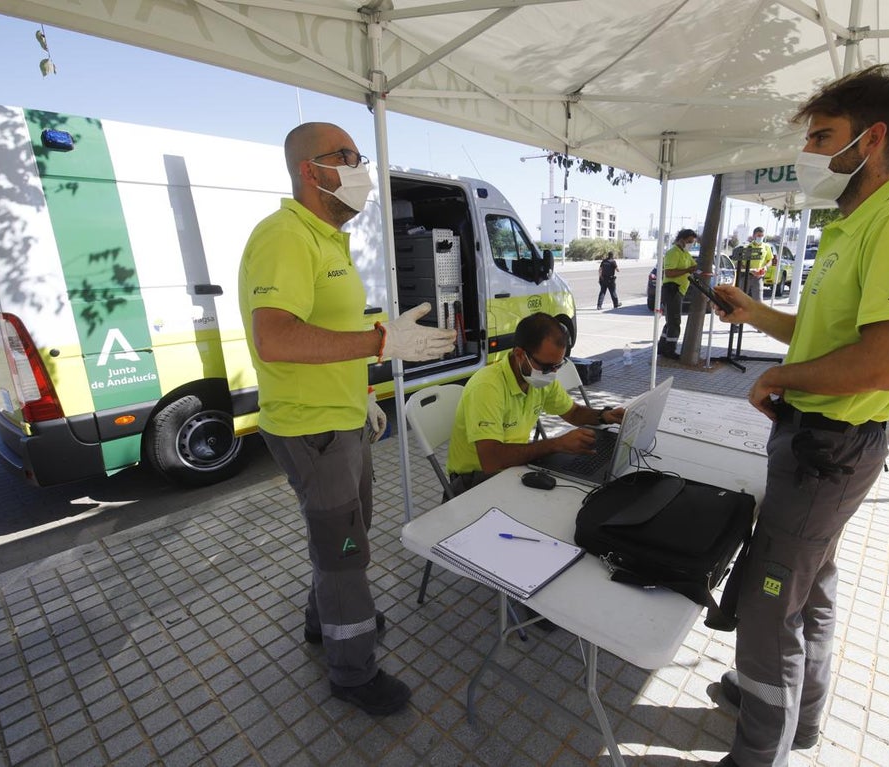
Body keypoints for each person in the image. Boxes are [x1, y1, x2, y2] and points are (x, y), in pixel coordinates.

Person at [706, 64, 889, 767]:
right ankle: (797, 715)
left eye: (823, 136)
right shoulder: (853, 222)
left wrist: (779, 377)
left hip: (829, 449)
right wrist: (757, 316)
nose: (809, 153)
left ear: (872, 139)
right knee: (808, 586)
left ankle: (759, 749)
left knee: (767, 601)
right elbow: (829, 337)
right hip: (816, 444)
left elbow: (884, 360)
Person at [238, 122, 456, 716]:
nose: (361, 169)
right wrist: (380, 342)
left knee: (342, 540)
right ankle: (352, 671)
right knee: (344, 552)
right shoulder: (285, 236)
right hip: (312, 428)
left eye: (360, 157)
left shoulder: (328, 240)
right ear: (310, 171)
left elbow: (328, 332)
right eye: (347, 157)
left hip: (340, 419)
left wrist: (362, 392)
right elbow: (276, 337)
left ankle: (326, 620)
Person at [446, 312, 624, 496]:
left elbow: (573, 412)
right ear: (520, 354)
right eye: (547, 366)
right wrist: (557, 444)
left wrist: (603, 415)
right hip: (475, 481)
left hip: (512, 468)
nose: (552, 373)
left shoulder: (539, 377)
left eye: (558, 365)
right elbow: (491, 460)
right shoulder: (487, 387)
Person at [657, 228, 699, 360]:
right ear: (681, 240)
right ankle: (670, 350)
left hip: (679, 290)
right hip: (672, 289)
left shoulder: (685, 253)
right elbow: (669, 273)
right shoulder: (673, 252)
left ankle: (662, 347)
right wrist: (687, 270)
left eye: (692, 242)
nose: (690, 244)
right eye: (689, 241)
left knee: (670, 321)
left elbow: (694, 266)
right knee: (675, 322)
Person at [736, 227, 775, 302]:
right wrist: (750, 271)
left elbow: (770, 260)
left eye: (762, 236)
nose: (760, 237)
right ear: (754, 236)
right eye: (758, 235)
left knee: (758, 301)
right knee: (741, 299)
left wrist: (765, 267)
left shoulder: (766, 247)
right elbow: (741, 263)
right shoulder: (747, 247)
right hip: (746, 276)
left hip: (758, 277)